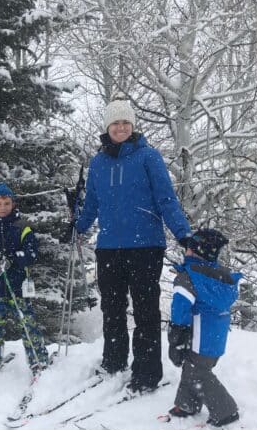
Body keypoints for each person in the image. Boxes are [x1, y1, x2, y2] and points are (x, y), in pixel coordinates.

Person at [75, 94, 192, 392]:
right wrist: (79, 227)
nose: (122, 127)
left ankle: (147, 372)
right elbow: (92, 203)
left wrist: (184, 234)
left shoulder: (148, 157)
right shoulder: (98, 163)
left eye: (126, 122)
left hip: (145, 246)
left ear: (133, 126)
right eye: (116, 122)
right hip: (109, 247)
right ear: (107, 126)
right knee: (112, 309)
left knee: (145, 311)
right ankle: (114, 361)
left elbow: (166, 199)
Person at [166, 228, 242, 427]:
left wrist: (176, 337)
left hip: (199, 336)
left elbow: (180, 309)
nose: (186, 252)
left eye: (190, 249)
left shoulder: (188, 277)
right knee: (193, 367)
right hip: (215, 337)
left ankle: (226, 411)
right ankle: (186, 404)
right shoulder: (219, 277)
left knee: (196, 372)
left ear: (196, 252)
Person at [0, 182, 49, 375]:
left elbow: (31, 253)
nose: (3, 207)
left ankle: (38, 358)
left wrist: (13, 259)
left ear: (13, 203)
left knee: (27, 323)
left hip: (18, 286)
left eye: (6, 203)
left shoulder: (22, 227)